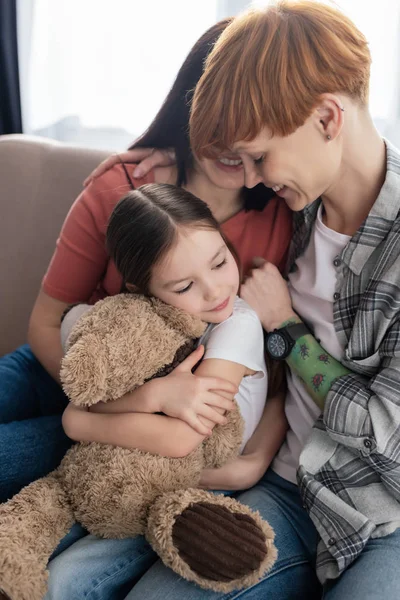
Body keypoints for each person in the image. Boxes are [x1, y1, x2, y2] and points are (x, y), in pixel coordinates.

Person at [0, 17, 290, 505]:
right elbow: (47, 323)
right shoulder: (122, 186)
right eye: (220, 124)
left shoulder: (282, 217)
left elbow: (278, 370)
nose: (236, 151)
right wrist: (108, 400)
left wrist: (253, 461)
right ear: (190, 106)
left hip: (149, 425)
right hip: (66, 370)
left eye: (254, 136)